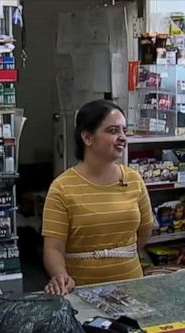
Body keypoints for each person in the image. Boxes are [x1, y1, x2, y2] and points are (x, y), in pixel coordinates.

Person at [42, 99, 154, 295]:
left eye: (123, 130)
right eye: (113, 131)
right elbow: (53, 249)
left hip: (132, 288)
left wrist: (119, 258)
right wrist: (60, 276)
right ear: (87, 137)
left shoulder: (134, 179)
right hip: (82, 292)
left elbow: (145, 230)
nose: (122, 137)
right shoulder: (62, 188)